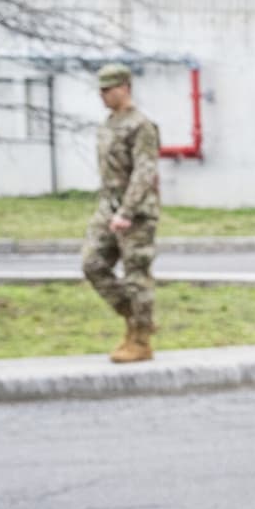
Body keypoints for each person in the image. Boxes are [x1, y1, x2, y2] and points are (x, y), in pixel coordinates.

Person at [82, 62, 160, 364]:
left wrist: (127, 211)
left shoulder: (141, 125)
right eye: (100, 90)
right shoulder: (108, 124)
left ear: (125, 87)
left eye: (108, 89)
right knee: (92, 263)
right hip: (108, 207)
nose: (102, 95)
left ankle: (140, 340)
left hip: (135, 212)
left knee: (136, 274)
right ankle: (135, 315)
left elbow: (144, 171)